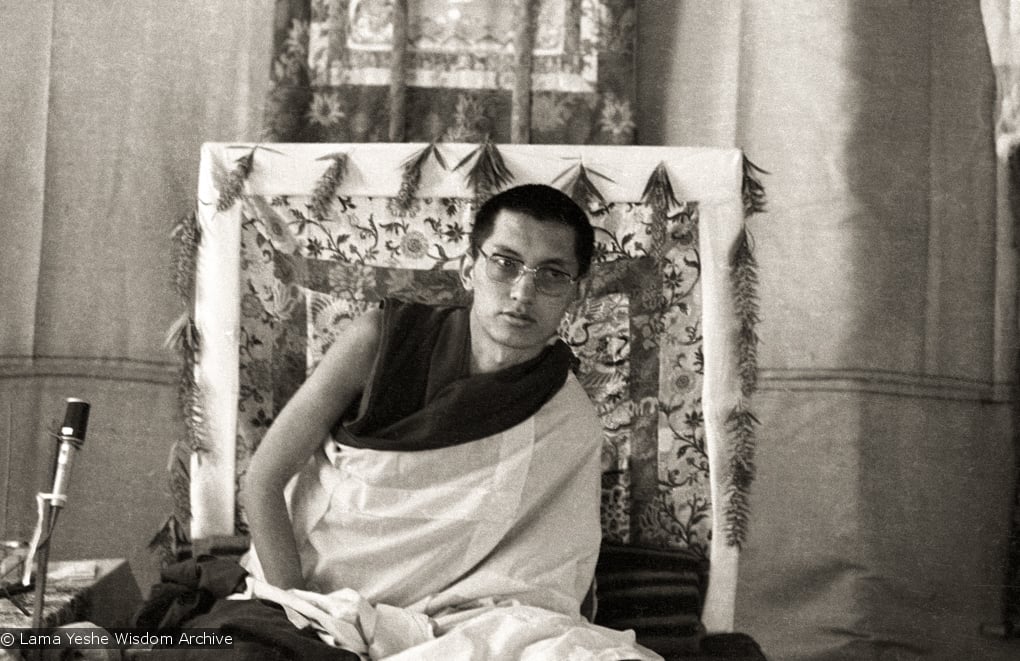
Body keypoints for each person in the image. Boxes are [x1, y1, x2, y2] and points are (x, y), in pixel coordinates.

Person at [234, 184, 660, 659]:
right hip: (318, 598)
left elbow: (549, 576)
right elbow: (263, 481)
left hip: (475, 626)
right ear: (468, 269)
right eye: (505, 262)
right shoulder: (378, 343)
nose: (523, 292)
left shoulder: (567, 416)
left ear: (575, 295)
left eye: (552, 274)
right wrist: (295, 612)